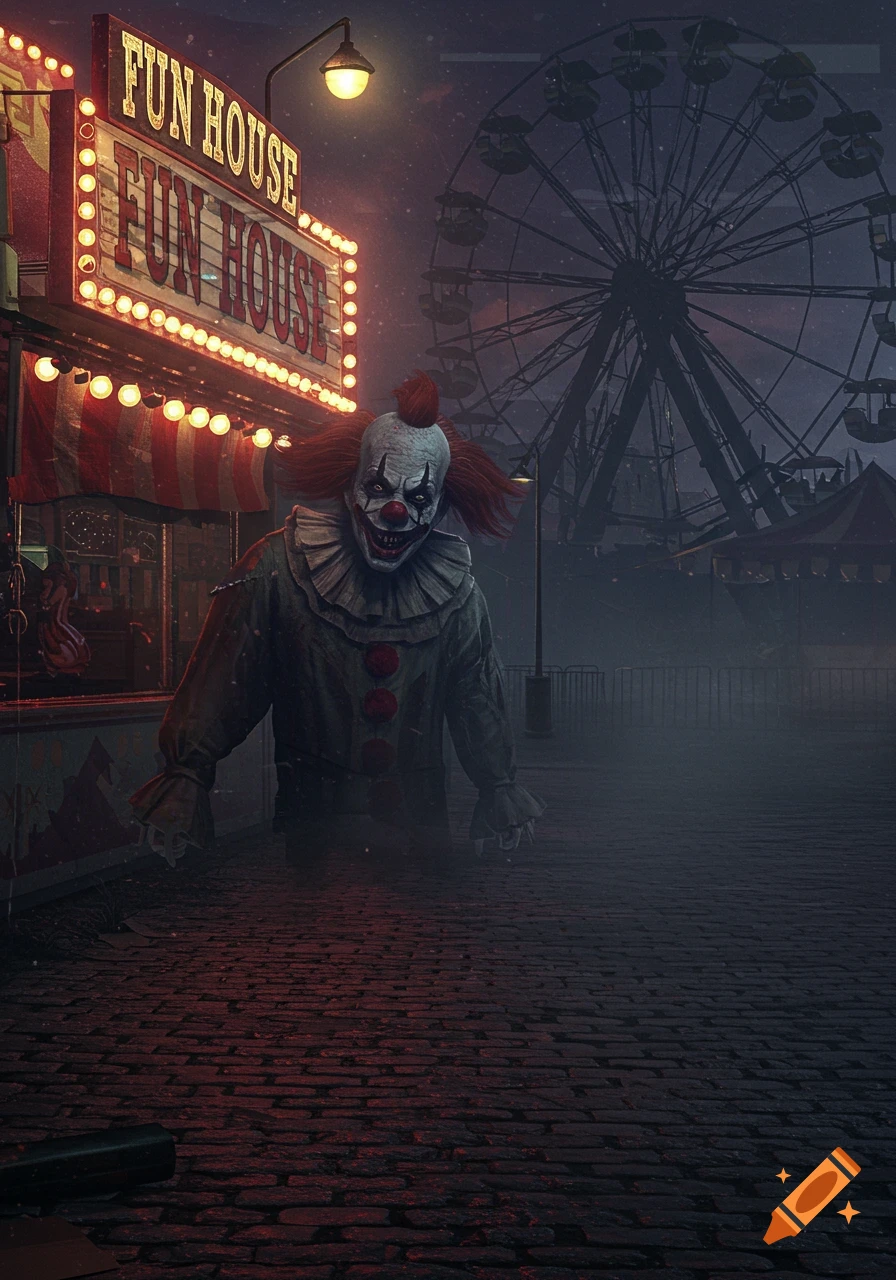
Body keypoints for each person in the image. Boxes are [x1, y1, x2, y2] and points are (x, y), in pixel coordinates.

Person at [130, 371, 544, 865]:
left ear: (437, 509)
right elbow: (224, 681)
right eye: (377, 486)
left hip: (420, 838)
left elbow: (478, 700)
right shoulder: (277, 569)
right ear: (349, 487)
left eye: (417, 498)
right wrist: (186, 776)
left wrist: (498, 787)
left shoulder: (457, 595)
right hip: (313, 835)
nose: (394, 511)